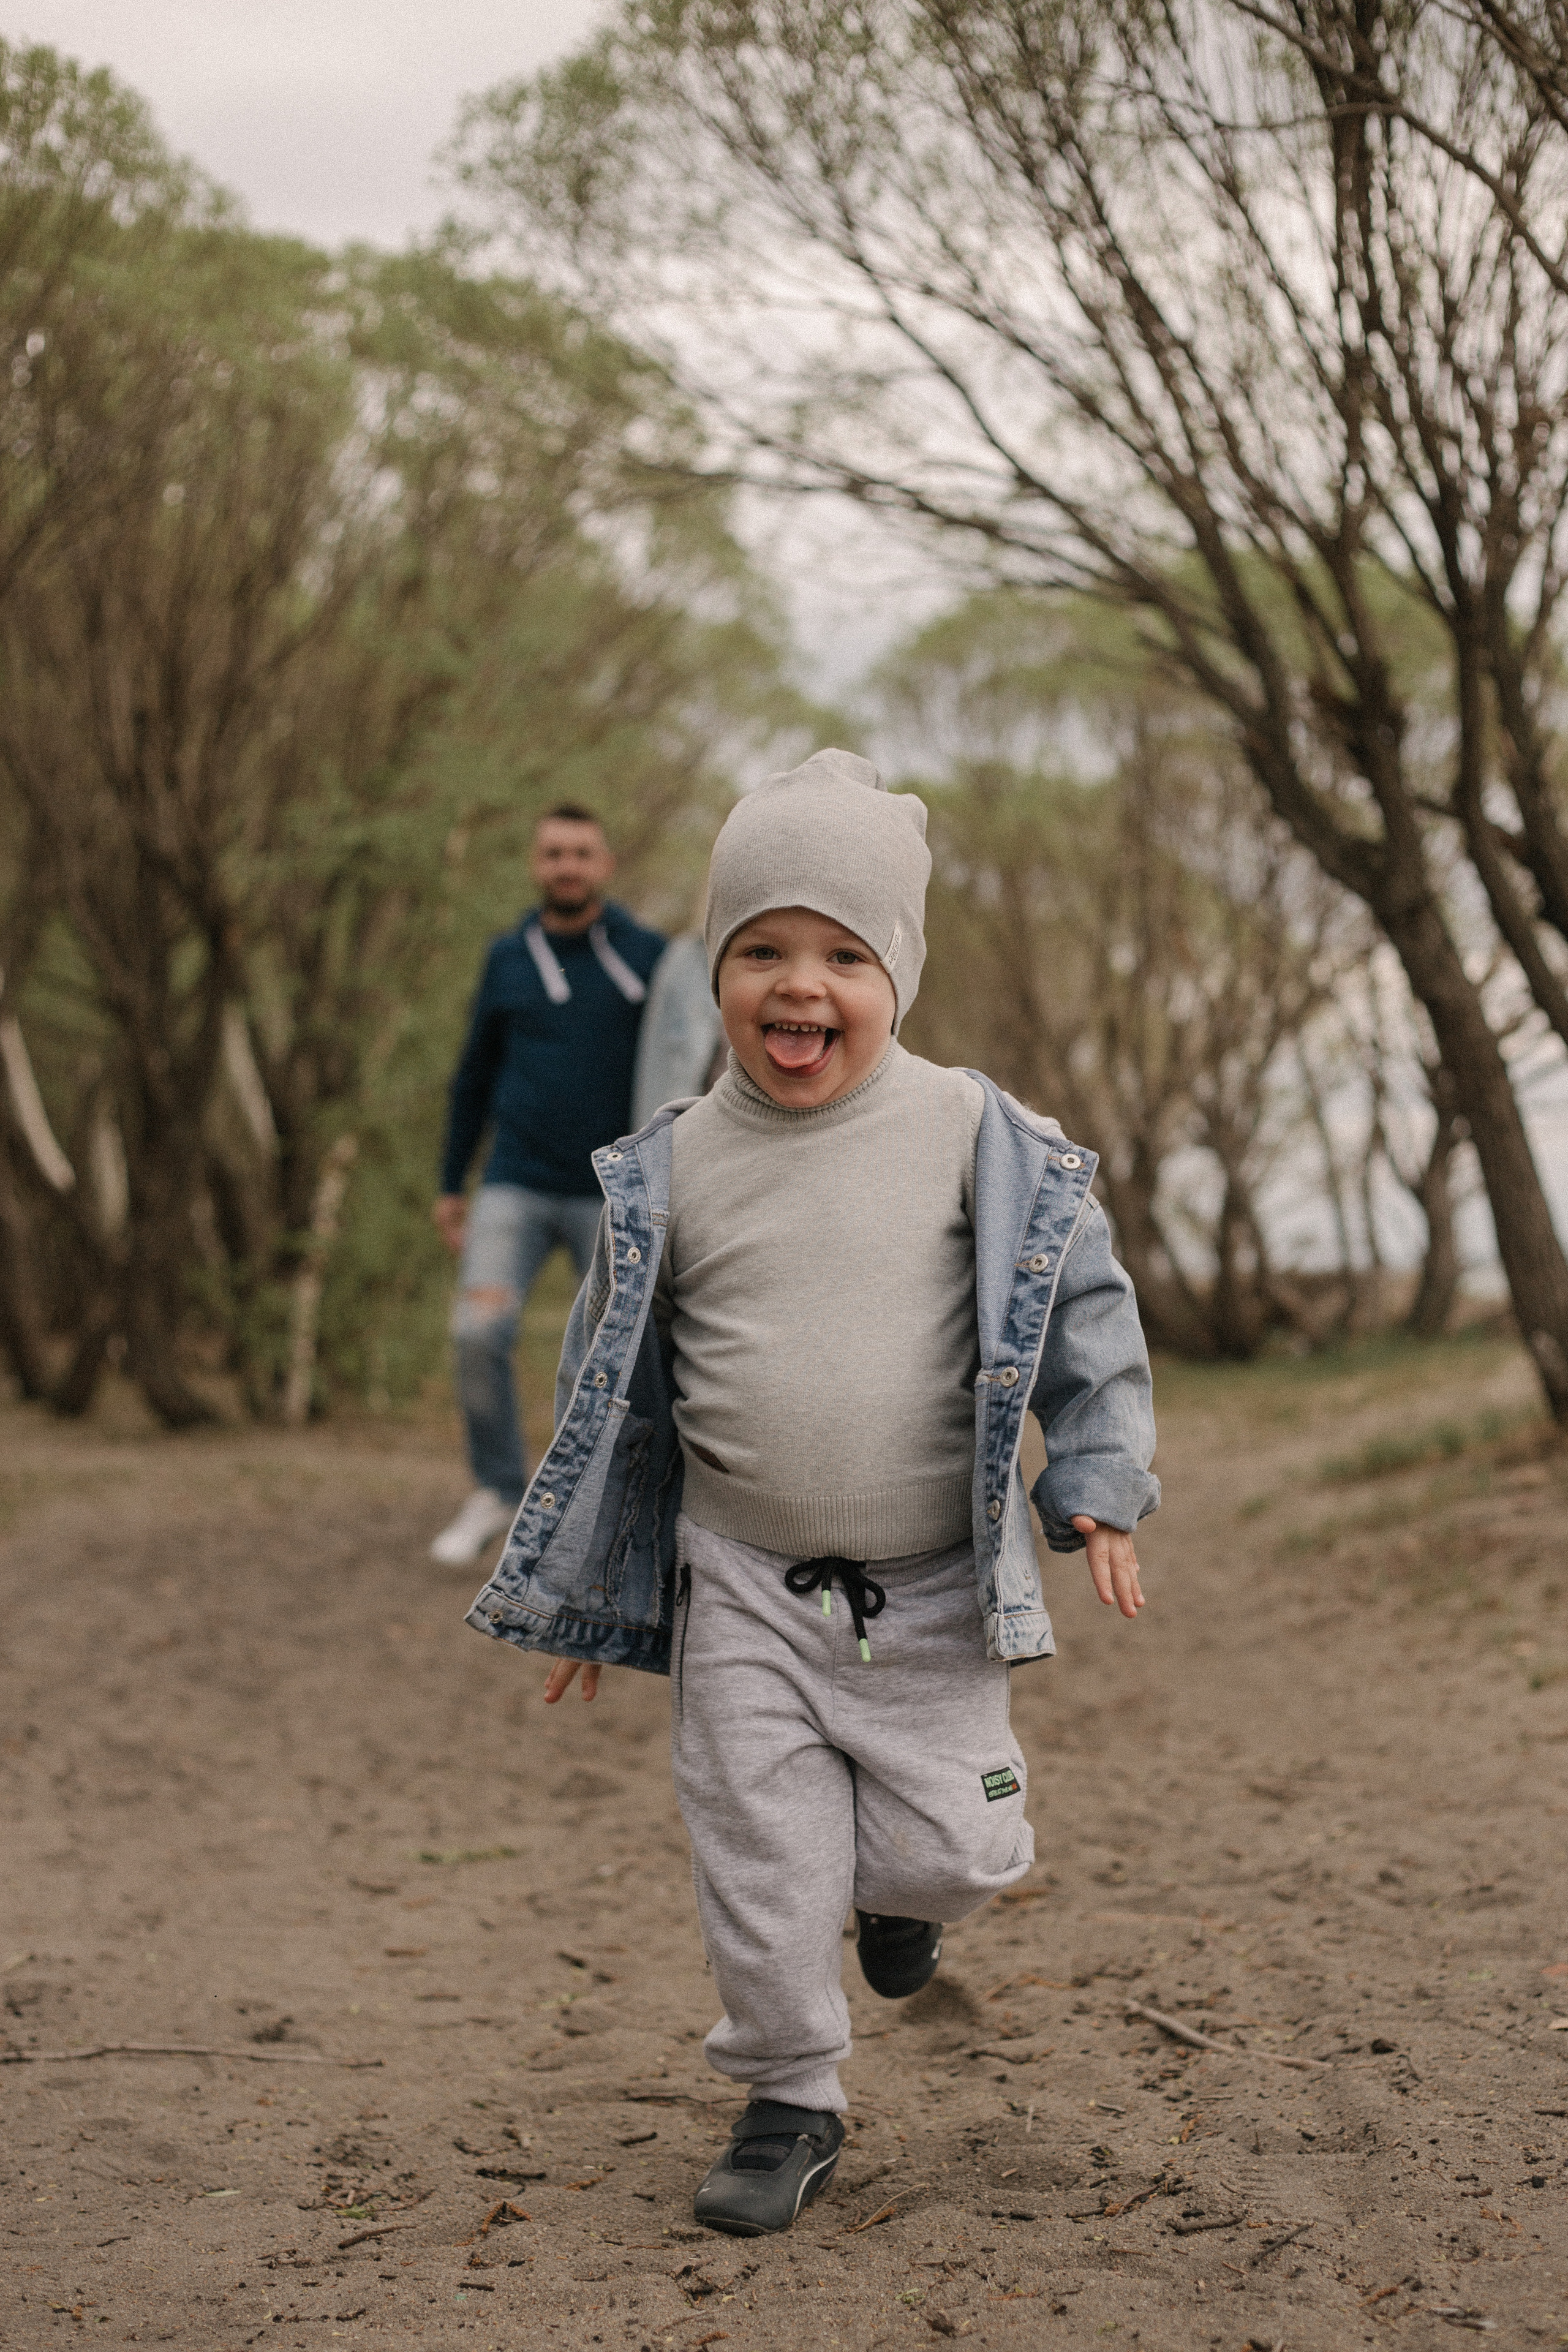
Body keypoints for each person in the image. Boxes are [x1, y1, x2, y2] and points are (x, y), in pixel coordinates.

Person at [462, 750, 1159, 2234]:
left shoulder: (979, 1136)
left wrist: (1094, 1477)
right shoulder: (668, 1169)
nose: (800, 985)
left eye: (841, 952)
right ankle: (787, 2091)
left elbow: (1083, 1310)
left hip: (933, 1592)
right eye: (761, 949)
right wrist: (592, 1585)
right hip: (741, 1587)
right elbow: (607, 1388)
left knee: (963, 1847)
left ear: (894, 969)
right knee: (760, 1854)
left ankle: (901, 1897)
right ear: (714, 972)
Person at [429, 803, 665, 1567]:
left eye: (580, 853)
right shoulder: (506, 958)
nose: (567, 865)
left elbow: (690, 1062)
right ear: (537, 865)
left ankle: (607, 1508)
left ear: (605, 863)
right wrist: (449, 1181)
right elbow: (472, 1075)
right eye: (553, 853)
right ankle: (498, 1487)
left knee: (629, 1355)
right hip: (515, 1184)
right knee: (476, 1332)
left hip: (614, 1191)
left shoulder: (650, 956)